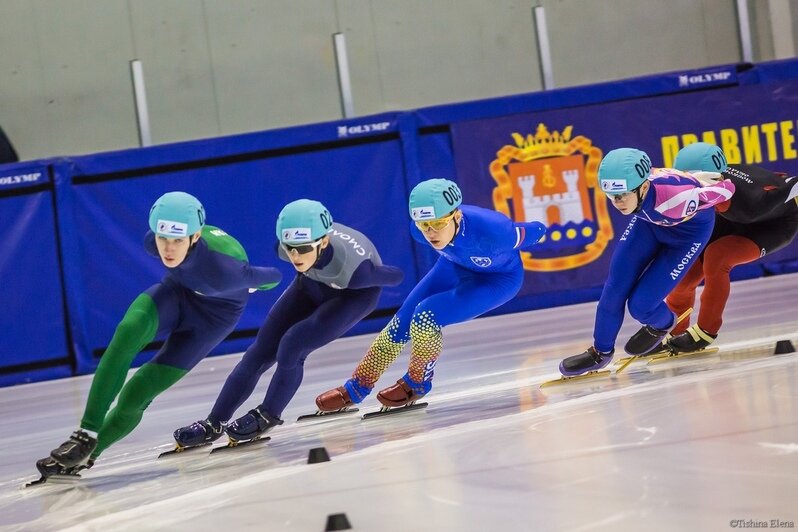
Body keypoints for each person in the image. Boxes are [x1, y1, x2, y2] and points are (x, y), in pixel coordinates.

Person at [37, 191, 282, 476]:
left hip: (213, 319)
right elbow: (165, 246)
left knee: (136, 394)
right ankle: (85, 435)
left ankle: (91, 453)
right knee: (128, 333)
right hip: (176, 294)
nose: (168, 249)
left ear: (195, 236)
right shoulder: (153, 243)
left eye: (178, 240)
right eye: (162, 238)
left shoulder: (224, 269)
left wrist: (253, 286)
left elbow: (273, 277)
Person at [173, 199, 404, 446]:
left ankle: (268, 413)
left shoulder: (358, 272)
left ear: (323, 242)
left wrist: (372, 275)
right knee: (258, 352)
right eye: (290, 247)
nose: (295, 255)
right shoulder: (285, 249)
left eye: (303, 249)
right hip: (311, 285)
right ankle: (214, 422)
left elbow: (397, 276)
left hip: (352, 295)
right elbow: (297, 251)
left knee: (292, 345)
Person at [315, 178, 547, 411]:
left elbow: (537, 230)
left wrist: (542, 227)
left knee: (426, 316)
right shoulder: (418, 232)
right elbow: (431, 231)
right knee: (400, 323)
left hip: (498, 280)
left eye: (437, 223)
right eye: (423, 224)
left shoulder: (495, 231)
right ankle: (356, 387)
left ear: (456, 216)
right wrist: (431, 227)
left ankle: (417, 383)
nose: (430, 232)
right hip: (453, 266)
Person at [559, 148, 735, 377]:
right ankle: (599, 353)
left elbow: (726, 190)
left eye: (622, 195)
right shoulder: (638, 187)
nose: (617, 202)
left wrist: (709, 183)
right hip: (649, 225)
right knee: (614, 288)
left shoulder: (677, 199)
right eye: (611, 195)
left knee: (641, 305)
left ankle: (662, 324)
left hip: (686, 236)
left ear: (643, 187)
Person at [664, 142, 798, 352]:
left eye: (696, 183)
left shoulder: (752, 202)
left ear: (715, 179)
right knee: (685, 274)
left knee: (718, 256)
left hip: (773, 225)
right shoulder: (706, 185)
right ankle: (674, 329)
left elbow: (791, 185)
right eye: (684, 181)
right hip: (729, 217)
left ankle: (706, 331)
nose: (689, 190)